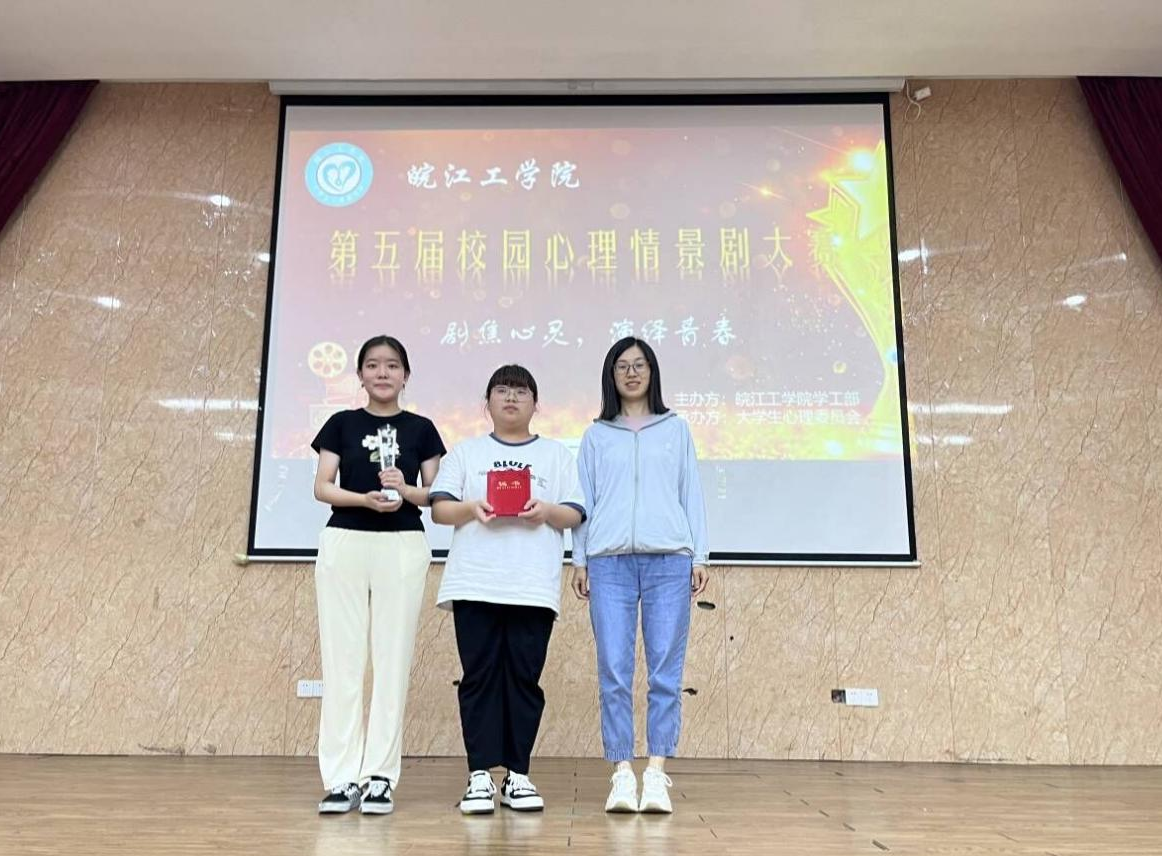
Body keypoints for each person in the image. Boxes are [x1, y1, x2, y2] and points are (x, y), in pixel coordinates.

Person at [430, 364, 585, 815]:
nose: (511, 398)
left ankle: (518, 775)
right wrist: (471, 508)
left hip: (532, 586)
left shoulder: (556, 455)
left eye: (521, 391)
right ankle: (479, 775)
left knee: (523, 679)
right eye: (502, 390)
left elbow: (575, 513)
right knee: (478, 678)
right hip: (474, 582)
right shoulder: (467, 452)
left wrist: (546, 511)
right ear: (487, 403)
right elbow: (440, 510)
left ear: (536, 404)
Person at [570, 337, 710, 814]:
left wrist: (699, 555)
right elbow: (583, 502)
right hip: (608, 563)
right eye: (622, 366)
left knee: (665, 671)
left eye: (640, 365)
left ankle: (655, 772)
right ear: (610, 375)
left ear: (653, 372)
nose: (631, 373)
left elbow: (691, 493)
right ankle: (621, 773)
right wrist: (580, 559)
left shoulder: (676, 429)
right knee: (613, 668)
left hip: (669, 560)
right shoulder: (596, 435)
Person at [310, 335, 445, 815]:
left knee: (392, 660)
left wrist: (404, 490)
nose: (382, 373)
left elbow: (436, 496)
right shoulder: (341, 424)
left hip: (402, 545)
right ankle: (341, 778)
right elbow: (323, 487)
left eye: (391, 365)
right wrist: (364, 500)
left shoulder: (421, 428)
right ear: (360, 375)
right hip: (345, 541)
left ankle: (380, 777)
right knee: (342, 661)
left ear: (406, 375)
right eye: (372, 365)